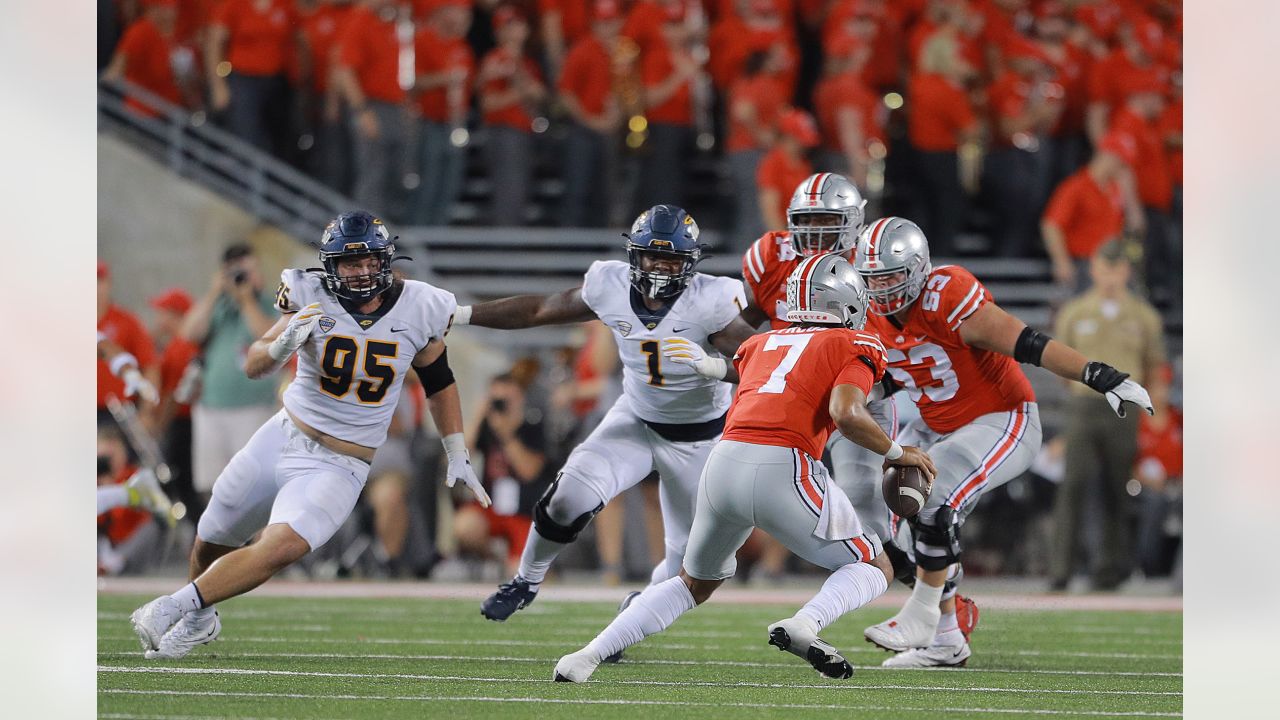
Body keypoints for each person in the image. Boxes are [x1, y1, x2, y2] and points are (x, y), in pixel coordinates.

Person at [552, 253, 935, 683]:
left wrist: (706, 366)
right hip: (784, 465)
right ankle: (805, 624)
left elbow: (748, 375)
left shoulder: (762, 341)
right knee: (875, 566)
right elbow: (846, 412)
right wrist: (899, 453)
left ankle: (586, 655)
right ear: (848, 302)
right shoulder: (855, 342)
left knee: (690, 584)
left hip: (723, 464)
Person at [129, 211, 491, 659]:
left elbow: (439, 382)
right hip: (283, 434)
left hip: (341, 462)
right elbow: (254, 362)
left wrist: (456, 449)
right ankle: (201, 619)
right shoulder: (308, 293)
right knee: (211, 535)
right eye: (349, 264)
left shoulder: (419, 305)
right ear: (330, 266)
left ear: (385, 261)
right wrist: (280, 346)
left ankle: (172, 606)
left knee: (280, 544)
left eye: (368, 263)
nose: (360, 274)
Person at [851, 216, 1154, 667]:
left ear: (917, 268)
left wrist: (1098, 374)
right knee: (899, 524)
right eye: (873, 278)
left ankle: (922, 614)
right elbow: (900, 374)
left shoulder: (946, 294)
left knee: (932, 499)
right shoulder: (870, 312)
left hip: (1000, 419)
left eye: (892, 275)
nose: (883, 287)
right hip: (939, 425)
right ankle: (947, 640)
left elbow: (1026, 342)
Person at [451, 205, 757, 633]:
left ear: (690, 264)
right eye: (654, 257)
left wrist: (717, 368)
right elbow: (539, 310)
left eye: (672, 261)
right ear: (635, 257)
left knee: (691, 569)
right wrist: (463, 315)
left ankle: (637, 611)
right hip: (635, 419)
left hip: (701, 439)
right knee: (567, 497)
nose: (662, 270)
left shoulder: (711, 301)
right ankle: (525, 580)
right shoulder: (610, 285)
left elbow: (765, 363)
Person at [1047, 242, 1166, 591]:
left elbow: (1155, 365)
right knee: (1074, 483)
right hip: (1084, 404)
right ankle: (1061, 569)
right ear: (1094, 269)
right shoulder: (1075, 312)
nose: (1110, 276)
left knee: (1118, 487)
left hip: (1125, 405)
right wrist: (1078, 395)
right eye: (1104, 268)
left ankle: (1111, 569)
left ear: (1125, 272)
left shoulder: (1144, 317)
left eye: (1117, 269)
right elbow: (1059, 361)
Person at [179, 244, 282, 504]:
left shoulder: (270, 303)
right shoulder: (217, 305)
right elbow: (189, 332)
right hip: (211, 409)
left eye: (248, 270)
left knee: (254, 487)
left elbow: (272, 338)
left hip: (254, 409)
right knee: (212, 486)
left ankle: (251, 543)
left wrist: (246, 300)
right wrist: (215, 291)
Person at [455, 374, 551, 575]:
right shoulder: (488, 427)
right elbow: (461, 456)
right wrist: (480, 415)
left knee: (520, 572)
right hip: (492, 507)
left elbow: (529, 472)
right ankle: (494, 557)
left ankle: (511, 560)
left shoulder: (533, 425)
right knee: (464, 526)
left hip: (524, 512)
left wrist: (507, 436)